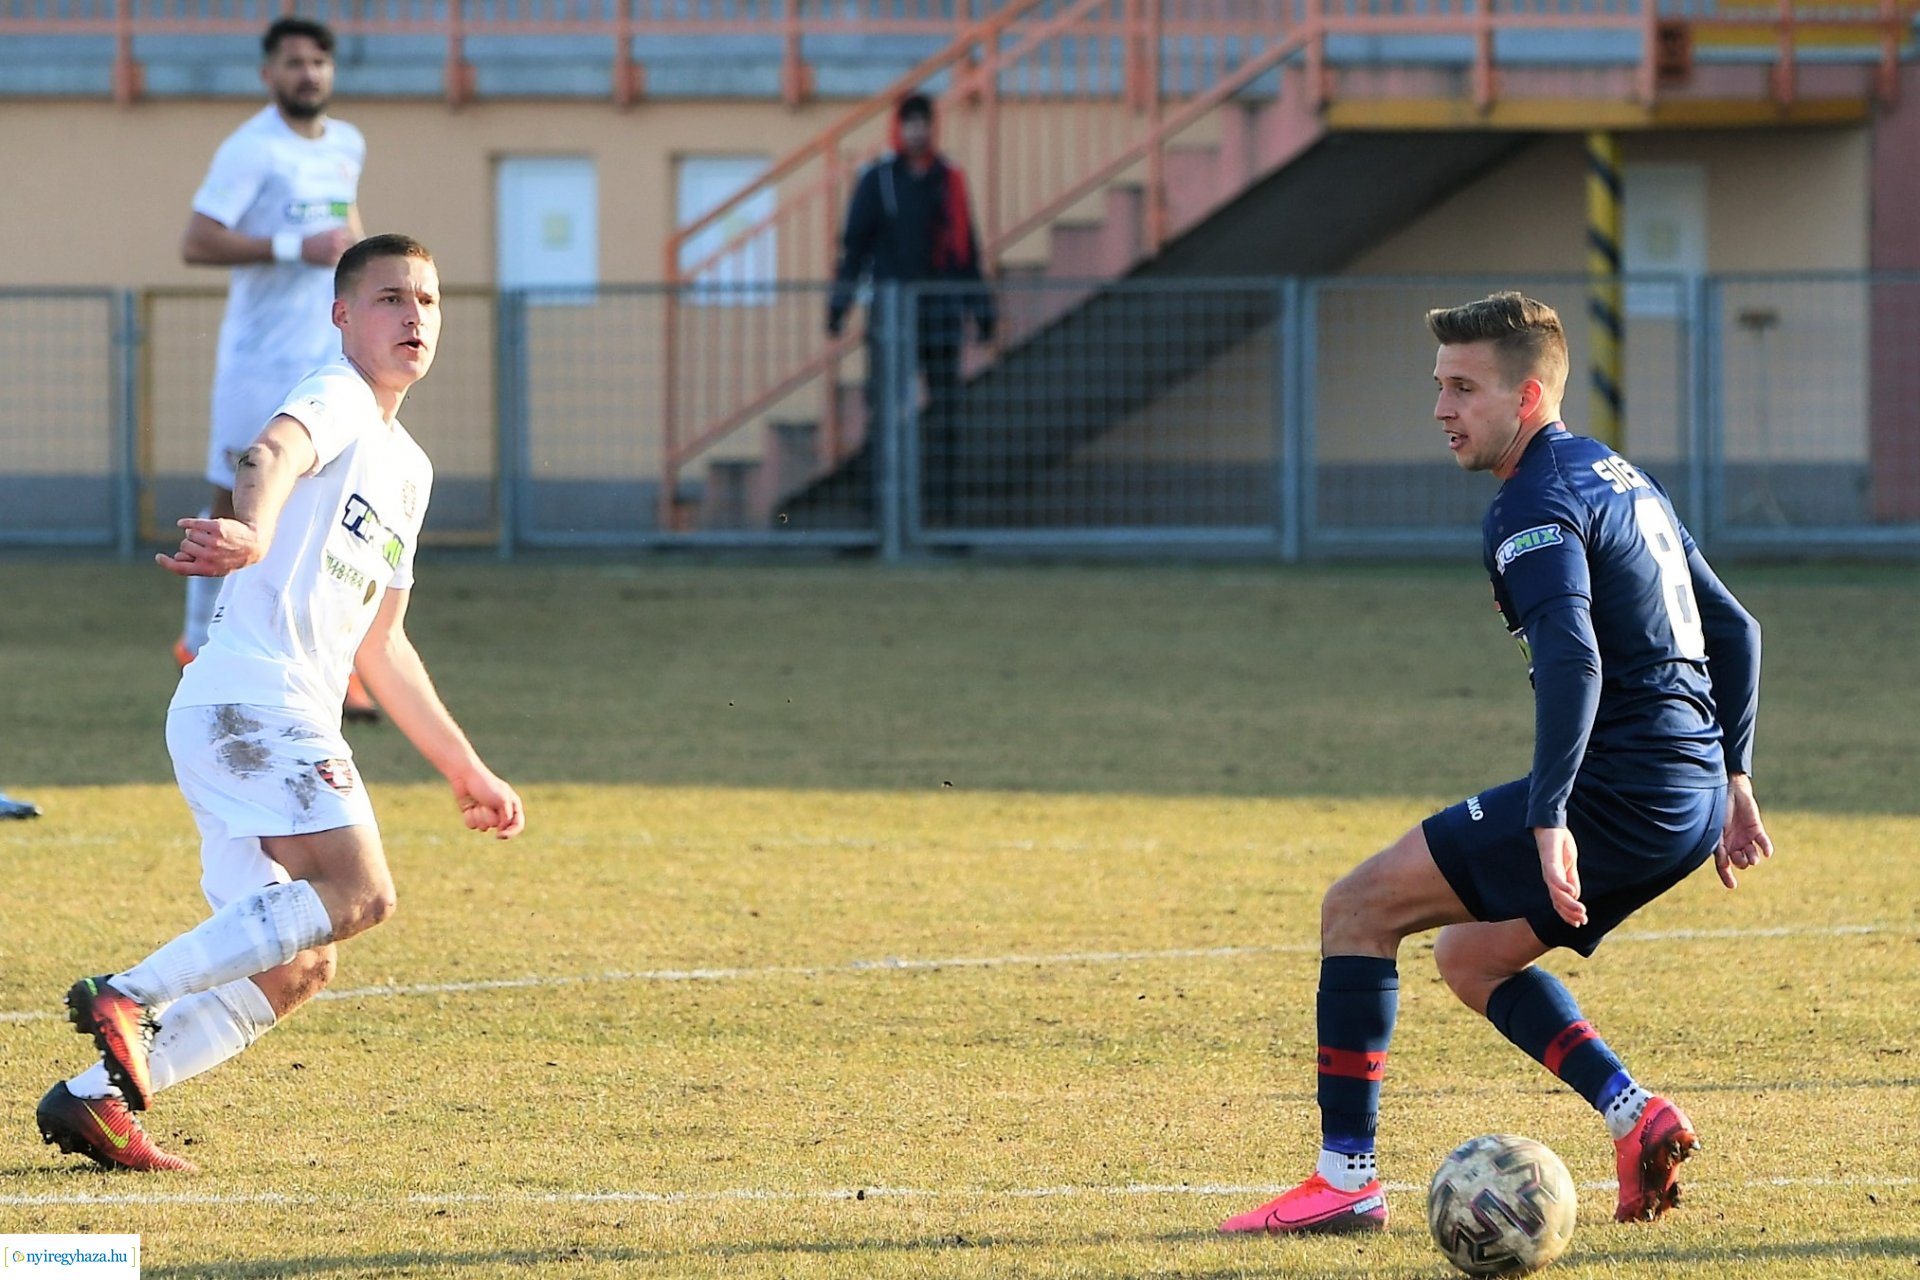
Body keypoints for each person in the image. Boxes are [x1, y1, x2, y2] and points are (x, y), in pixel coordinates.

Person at [1219, 292, 1771, 1236]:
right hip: (1683, 799)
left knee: (1358, 909)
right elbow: (1737, 628)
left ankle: (1345, 1180)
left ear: (1527, 398)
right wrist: (1735, 778)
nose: (1441, 408)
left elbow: (1575, 658)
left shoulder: (1533, 501)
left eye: (1464, 388)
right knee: (1470, 955)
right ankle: (1635, 1115)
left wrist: (1549, 814)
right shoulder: (1621, 476)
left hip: (1618, 795)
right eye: (1439, 385)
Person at [38, 234, 526, 1173]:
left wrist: (466, 769)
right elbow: (269, 450)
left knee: (301, 963)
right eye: (389, 298)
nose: (413, 316)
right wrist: (254, 532)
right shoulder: (336, 394)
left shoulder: (411, 470)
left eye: (427, 301)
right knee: (360, 891)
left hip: (240, 718)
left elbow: (383, 646)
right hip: (253, 703)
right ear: (343, 316)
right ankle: (130, 993)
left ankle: (95, 1101)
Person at [178, 16, 380, 723]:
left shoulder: (347, 143)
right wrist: (296, 246)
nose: (308, 74)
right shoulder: (251, 148)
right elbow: (197, 241)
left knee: (334, 505)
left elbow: (346, 231)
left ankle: (333, 664)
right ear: (269, 74)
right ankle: (197, 640)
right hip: (257, 361)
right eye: (294, 62)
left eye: (318, 62)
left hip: (326, 359)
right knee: (232, 498)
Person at [825, 92, 995, 518]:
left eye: (923, 123)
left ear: (932, 128)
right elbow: (855, 249)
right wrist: (840, 304)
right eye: (910, 123)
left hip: (939, 315)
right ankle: (874, 519)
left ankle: (942, 519)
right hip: (890, 317)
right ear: (898, 128)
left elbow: (966, 252)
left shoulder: (948, 181)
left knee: (945, 416)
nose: (917, 132)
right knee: (883, 416)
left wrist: (982, 311)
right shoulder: (877, 180)